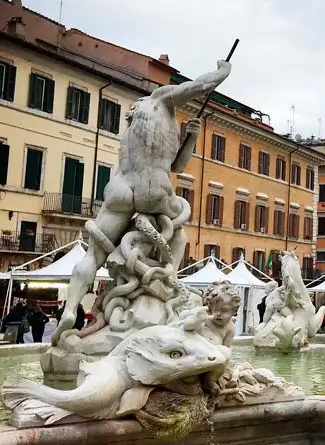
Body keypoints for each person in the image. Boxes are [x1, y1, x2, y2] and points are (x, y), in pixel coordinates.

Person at [52, 59, 232, 346]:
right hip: (155, 188)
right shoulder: (161, 98)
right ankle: (168, 275)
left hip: (121, 187)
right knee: (179, 233)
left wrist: (191, 137)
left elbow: (177, 164)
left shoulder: (132, 133)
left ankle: (71, 309)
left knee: (92, 257)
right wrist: (223, 72)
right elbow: (198, 88)